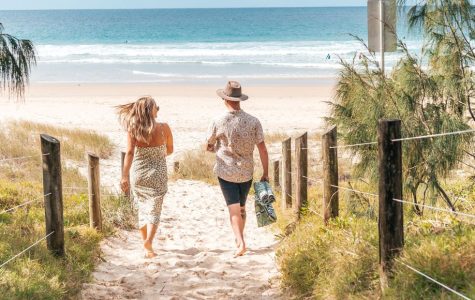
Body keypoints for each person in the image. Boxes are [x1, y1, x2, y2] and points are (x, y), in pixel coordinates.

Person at [205, 81, 269, 257]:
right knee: (241, 208)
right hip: (246, 172)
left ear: (225, 99)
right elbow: (262, 149)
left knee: (233, 210)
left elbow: (209, 145)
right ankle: (239, 236)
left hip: (226, 171)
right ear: (239, 99)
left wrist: (215, 147)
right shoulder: (254, 121)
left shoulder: (218, 120)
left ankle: (240, 243)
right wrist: (266, 172)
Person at [117, 96, 173, 258]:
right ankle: (149, 241)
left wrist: (124, 176)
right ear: (150, 110)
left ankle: (147, 247)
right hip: (158, 173)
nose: (158, 109)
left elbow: (129, 153)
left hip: (139, 174)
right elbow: (170, 150)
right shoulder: (164, 128)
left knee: (142, 208)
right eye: (157, 107)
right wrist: (157, 155)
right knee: (155, 209)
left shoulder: (133, 128)